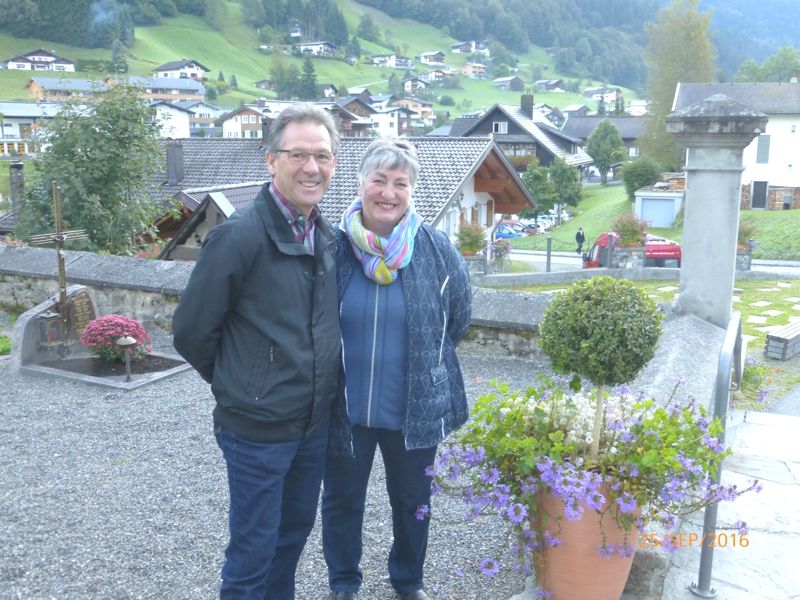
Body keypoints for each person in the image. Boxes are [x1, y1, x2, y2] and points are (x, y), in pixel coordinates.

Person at [172, 103, 341, 600]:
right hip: (257, 431)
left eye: (323, 156)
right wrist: (246, 384)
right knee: (252, 553)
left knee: (290, 540)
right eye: (298, 154)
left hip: (311, 425)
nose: (312, 167)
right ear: (271, 160)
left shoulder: (324, 234)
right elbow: (191, 332)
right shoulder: (238, 236)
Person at [323, 138, 472, 600]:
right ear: (360, 184)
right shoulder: (331, 248)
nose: (388, 192)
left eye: (400, 183)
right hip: (343, 407)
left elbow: (457, 319)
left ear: (412, 191)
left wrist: (424, 361)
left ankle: (407, 580)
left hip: (415, 408)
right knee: (342, 500)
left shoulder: (437, 250)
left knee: (412, 502)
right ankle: (343, 581)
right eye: (379, 180)